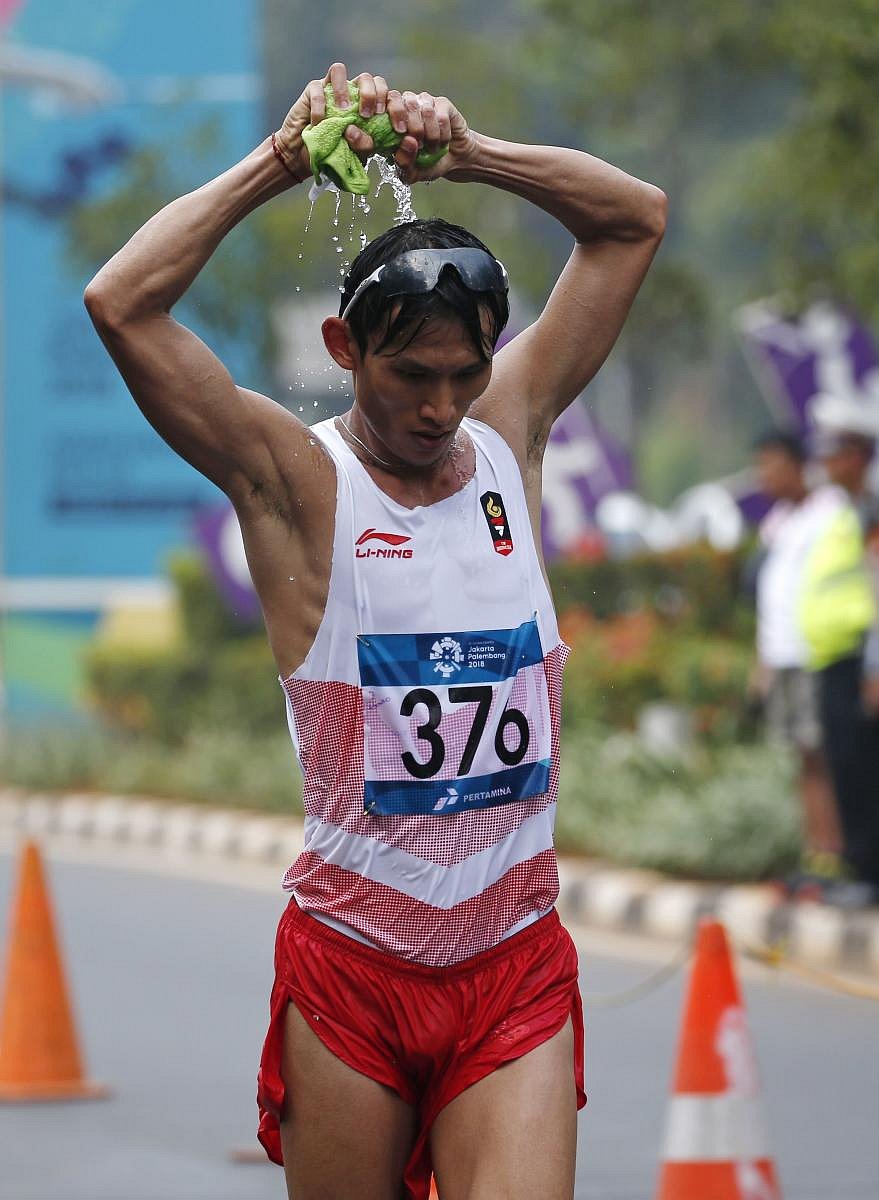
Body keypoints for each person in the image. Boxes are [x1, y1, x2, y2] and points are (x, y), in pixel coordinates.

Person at [84, 63, 666, 1200]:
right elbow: (123, 302)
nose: (441, 406)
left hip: (514, 966)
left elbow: (631, 220)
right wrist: (276, 165)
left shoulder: (510, 437)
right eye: (409, 374)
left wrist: (476, 156)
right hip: (354, 970)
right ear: (344, 349)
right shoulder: (295, 481)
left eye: (465, 372)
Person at [751, 431, 844, 895]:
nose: (763, 476)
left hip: (817, 656)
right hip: (782, 656)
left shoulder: (830, 511)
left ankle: (835, 855)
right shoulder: (779, 522)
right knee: (802, 758)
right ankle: (816, 854)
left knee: (823, 756)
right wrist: (761, 663)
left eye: (770, 464)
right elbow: (772, 599)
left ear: (796, 464)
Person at [804, 399, 879, 907]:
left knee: (861, 767)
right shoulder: (845, 510)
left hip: (858, 660)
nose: (827, 462)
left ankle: (869, 874)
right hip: (833, 659)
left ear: (858, 454)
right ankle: (859, 868)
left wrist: (874, 666)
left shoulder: (870, 510)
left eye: (836, 452)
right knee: (845, 765)